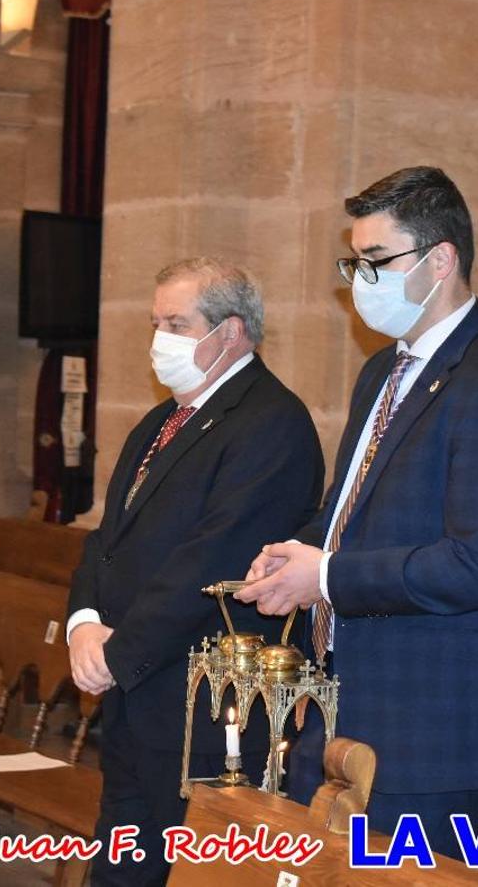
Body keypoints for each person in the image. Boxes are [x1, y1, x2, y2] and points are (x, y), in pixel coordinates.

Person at [235, 166, 478, 857]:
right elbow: (347, 512)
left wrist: (325, 578)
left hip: (434, 726)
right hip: (345, 702)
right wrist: (292, 553)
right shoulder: (382, 372)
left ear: (441, 260)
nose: (360, 280)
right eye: (354, 262)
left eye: (376, 261)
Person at [67, 257, 324, 885]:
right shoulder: (160, 422)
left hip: (204, 706)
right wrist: (82, 623)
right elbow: (108, 539)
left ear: (230, 331)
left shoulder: (272, 423)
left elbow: (213, 558)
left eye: (177, 324)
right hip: (136, 692)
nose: (160, 339)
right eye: (156, 323)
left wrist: (116, 652)